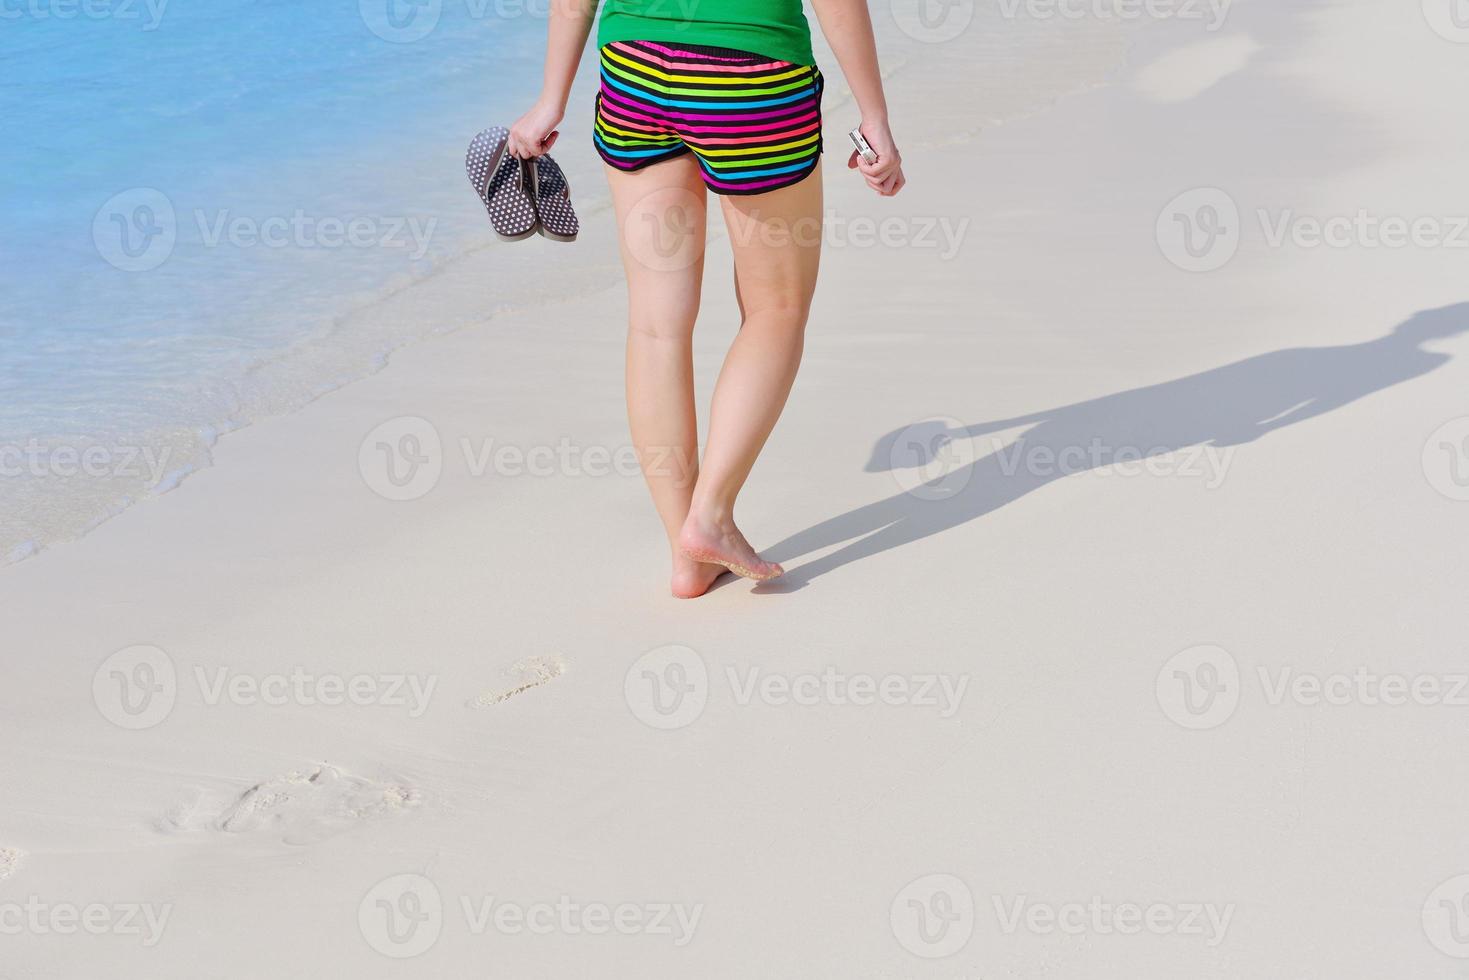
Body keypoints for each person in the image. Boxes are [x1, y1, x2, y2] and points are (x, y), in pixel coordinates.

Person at [508, 0, 906, 597]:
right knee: (777, 308)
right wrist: (873, 113)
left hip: (633, 74)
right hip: (751, 77)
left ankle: (686, 553)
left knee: (655, 324)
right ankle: (710, 517)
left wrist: (550, 98)